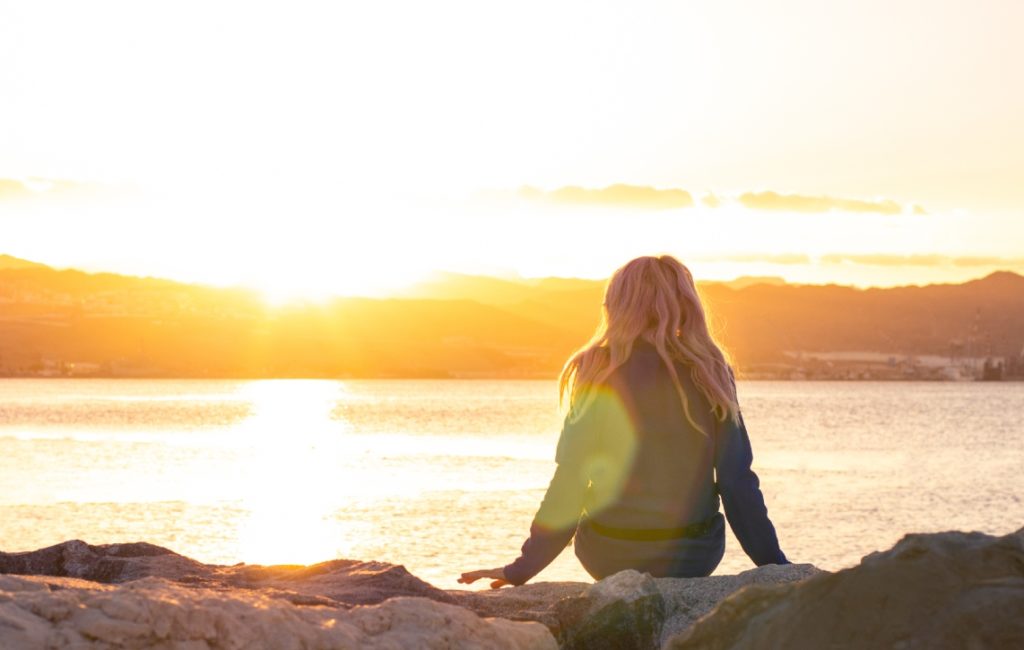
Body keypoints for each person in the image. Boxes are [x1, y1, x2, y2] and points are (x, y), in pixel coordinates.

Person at [459, 255, 788, 589]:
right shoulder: (711, 371)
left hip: (607, 553)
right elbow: (736, 482)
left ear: (616, 304)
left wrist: (521, 569)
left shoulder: (597, 369)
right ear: (687, 304)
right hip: (693, 555)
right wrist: (778, 566)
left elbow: (571, 479)